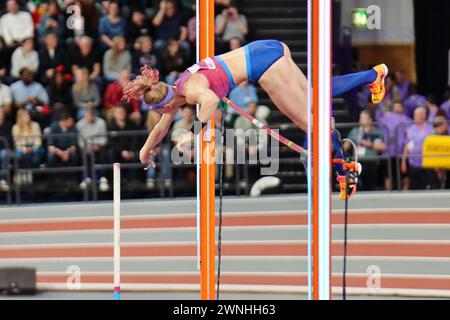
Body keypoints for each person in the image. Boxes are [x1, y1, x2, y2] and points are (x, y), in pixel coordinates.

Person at [123, 39, 388, 197]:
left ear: (165, 102)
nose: (162, 116)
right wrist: (145, 152)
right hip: (267, 49)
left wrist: (194, 134)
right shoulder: (175, 91)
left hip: (261, 66)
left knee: (312, 123)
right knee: (312, 98)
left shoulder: (190, 90)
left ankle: (343, 168)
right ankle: (372, 76)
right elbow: (160, 129)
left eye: (159, 111)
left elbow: (211, 101)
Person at [344, 111, 386, 191]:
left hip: (371, 161)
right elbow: (347, 144)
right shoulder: (355, 131)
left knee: (370, 184)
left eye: (363, 118)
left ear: (370, 120)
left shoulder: (377, 132)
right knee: (356, 184)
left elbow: (383, 147)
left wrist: (370, 144)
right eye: (360, 118)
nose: (360, 120)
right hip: (357, 162)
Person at [401, 107, 437, 190]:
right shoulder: (410, 129)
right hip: (414, 164)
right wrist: (403, 162)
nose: (416, 117)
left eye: (418, 115)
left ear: (424, 116)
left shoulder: (431, 129)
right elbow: (406, 146)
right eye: (415, 115)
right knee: (415, 188)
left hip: (428, 164)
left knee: (429, 187)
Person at [378, 101, 411, 190]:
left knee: (399, 176)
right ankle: (396, 192)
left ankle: (400, 194)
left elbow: (409, 134)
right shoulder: (385, 118)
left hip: (397, 152)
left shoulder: (406, 119)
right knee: (392, 176)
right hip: (392, 152)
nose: (397, 108)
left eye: (398, 106)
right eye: (395, 107)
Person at [76, 109, 109, 192]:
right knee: (83, 153)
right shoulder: (79, 124)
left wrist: (97, 145)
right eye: (87, 116)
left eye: (91, 116)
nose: (89, 118)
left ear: (94, 115)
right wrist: (88, 146)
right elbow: (80, 141)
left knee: (105, 153)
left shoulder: (101, 123)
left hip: (99, 147)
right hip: (86, 148)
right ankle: (86, 178)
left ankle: (103, 178)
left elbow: (104, 139)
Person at [12, 109, 44, 185]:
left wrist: (32, 148)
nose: (28, 117)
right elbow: (17, 142)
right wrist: (24, 148)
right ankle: (21, 174)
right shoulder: (15, 127)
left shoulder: (35, 125)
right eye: (25, 115)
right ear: (20, 117)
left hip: (34, 147)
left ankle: (32, 176)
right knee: (19, 155)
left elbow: (38, 141)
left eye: (28, 115)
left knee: (36, 157)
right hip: (21, 147)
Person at [0, 108, 12, 190]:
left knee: (4, 154)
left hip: (6, 149)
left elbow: (8, 140)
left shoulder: (8, 125)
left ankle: (4, 180)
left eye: (1, 113)